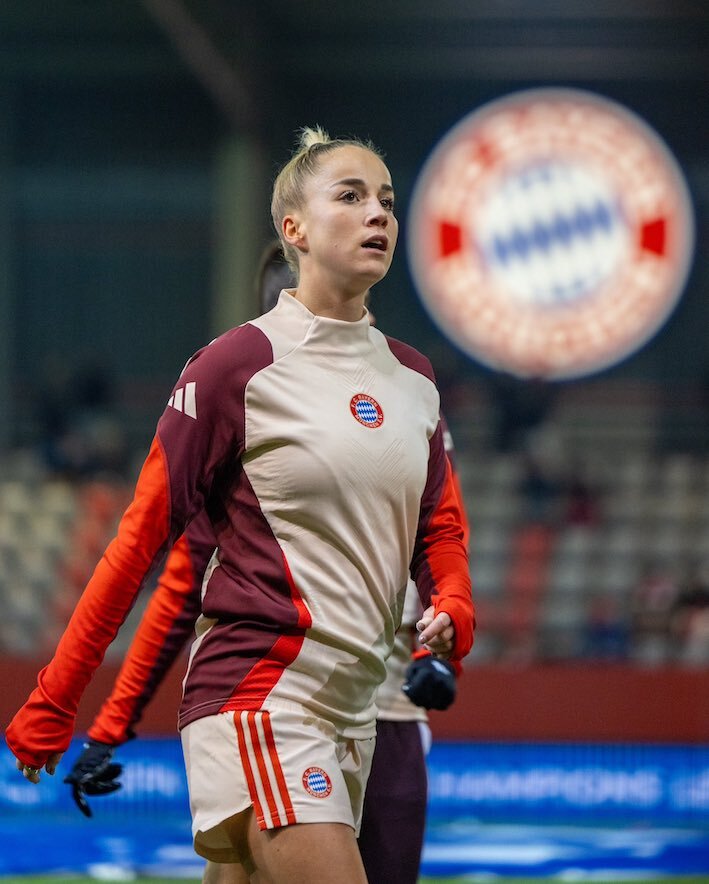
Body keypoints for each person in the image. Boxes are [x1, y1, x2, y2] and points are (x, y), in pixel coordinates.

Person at [6, 126, 475, 884]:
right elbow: (140, 546)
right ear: (294, 229)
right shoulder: (233, 366)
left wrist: (453, 608)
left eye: (387, 200)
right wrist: (57, 700)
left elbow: (440, 529)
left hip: (359, 712)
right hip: (261, 697)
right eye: (351, 196)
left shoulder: (415, 379)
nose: (378, 214)